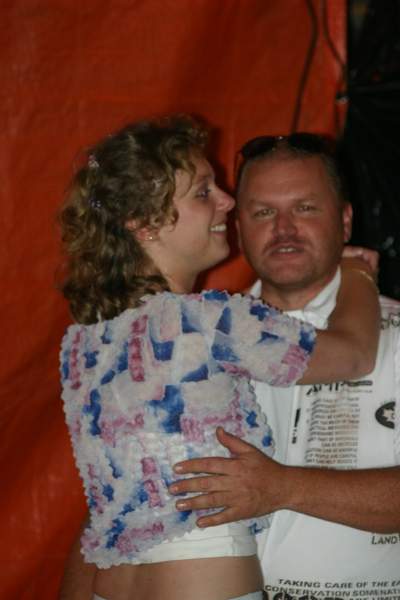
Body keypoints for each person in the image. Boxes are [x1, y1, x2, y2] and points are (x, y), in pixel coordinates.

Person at [59, 118, 378, 600]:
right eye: (203, 192)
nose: (227, 201)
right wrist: (358, 273)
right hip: (200, 572)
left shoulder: (86, 345)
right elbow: (354, 354)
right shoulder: (211, 321)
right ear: (145, 223)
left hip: (112, 582)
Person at [169, 133, 400, 599]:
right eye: (263, 212)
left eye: (305, 208)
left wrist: (284, 488)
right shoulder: (194, 341)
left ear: (346, 220)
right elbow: (110, 513)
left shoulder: (395, 335)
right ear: (237, 228)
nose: (284, 228)